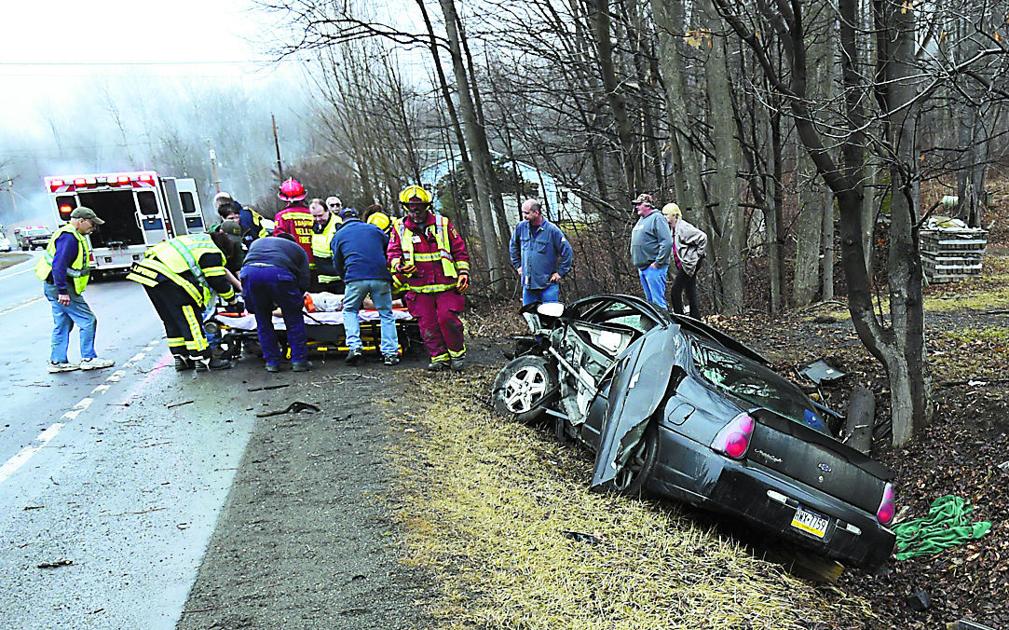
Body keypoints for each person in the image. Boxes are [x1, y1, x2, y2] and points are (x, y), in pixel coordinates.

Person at [126, 231, 243, 371]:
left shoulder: (196, 241)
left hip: (147, 274)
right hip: (168, 277)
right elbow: (217, 280)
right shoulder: (211, 250)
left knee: (171, 319)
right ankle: (203, 359)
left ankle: (181, 357)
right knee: (191, 320)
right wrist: (232, 301)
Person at [388, 184, 471, 372]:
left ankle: (457, 355)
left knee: (447, 318)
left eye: (419, 207)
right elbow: (392, 253)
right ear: (406, 207)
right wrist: (400, 266)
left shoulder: (443, 224)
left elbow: (459, 251)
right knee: (427, 324)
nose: (415, 211)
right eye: (411, 207)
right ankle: (439, 358)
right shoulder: (399, 228)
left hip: (446, 284)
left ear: (427, 206)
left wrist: (463, 273)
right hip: (419, 287)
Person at [35, 207, 115, 373]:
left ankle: (57, 362)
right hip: (62, 287)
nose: (93, 229)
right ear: (81, 221)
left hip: (52, 286)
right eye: (91, 224)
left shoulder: (67, 233)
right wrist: (63, 291)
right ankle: (89, 358)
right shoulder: (69, 238)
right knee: (88, 320)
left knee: (63, 323)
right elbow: (59, 265)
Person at [331, 207, 399, 366]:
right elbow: (389, 250)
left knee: (350, 310)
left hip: (355, 277)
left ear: (342, 220)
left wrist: (345, 278)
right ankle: (390, 354)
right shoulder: (374, 229)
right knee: (386, 314)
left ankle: (355, 347)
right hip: (380, 276)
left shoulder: (338, 235)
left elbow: (337, 262)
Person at [240, 233, 312, 373]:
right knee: (294, 320)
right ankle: (299, 361)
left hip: (250, 273)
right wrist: (297, 299)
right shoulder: (297, 249)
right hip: (279, 273)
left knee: (262, 320)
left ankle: (272, 362)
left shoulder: (257, 242)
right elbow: (304, 280)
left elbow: (246, 264)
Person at [510, 199, 573, 305]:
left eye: (526, 213)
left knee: (550, 318)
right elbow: (513, 246)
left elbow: (567, 252)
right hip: (528, 285)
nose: (524, 216)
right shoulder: (521, 228)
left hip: (548, 285)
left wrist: (560, 272)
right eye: (523, 212)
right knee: (530, 317)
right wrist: (518, 266)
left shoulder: (552, 230)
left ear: (536, 212)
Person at [662, 203, 708, 318]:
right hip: (683, 264)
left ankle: (679, 318)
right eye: (664, 215)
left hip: (689, 265)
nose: (665, 218)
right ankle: (695, 318)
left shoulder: (683, 228)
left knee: (675, 291)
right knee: (690, 291)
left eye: (667, 215)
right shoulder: (672, 229)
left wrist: (697, 255)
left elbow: (702, 237)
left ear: (675, 216)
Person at [630, 193, 672, 310]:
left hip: (653, 267)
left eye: (639, 204)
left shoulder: (657, 218)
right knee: (650, 305)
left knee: (658, 303)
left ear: (648, 205)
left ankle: (666, 325)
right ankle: (654, 326)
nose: (636, 207)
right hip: (642, 268)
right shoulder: (641, 220)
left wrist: (658, 262)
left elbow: (667, 242)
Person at [273, 178, 315, 263]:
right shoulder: (314, 214)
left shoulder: (282, 216)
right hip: (317, 260)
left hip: (295, 261)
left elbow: (279, 240)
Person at [308, 197, 343, 292]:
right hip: (322, 278)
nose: (318, 219)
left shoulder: (338, 224)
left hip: (339, 279)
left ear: (327, 211)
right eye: (314, 216)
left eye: (320, 215)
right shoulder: (314, 226)